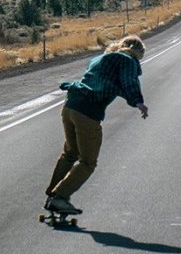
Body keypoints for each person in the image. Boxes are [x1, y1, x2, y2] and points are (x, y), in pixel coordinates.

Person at [44, 34, 149, 214]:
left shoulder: (101, 59)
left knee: (70, 154)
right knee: (88, 162)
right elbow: (128, 82)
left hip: (70, 105)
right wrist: (138, 101)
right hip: (88, 112)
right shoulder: (128, 61)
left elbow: (112, 85)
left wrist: (131, 99)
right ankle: (59, 197)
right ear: (138, 52)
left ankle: (52, 196)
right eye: (141, 56)